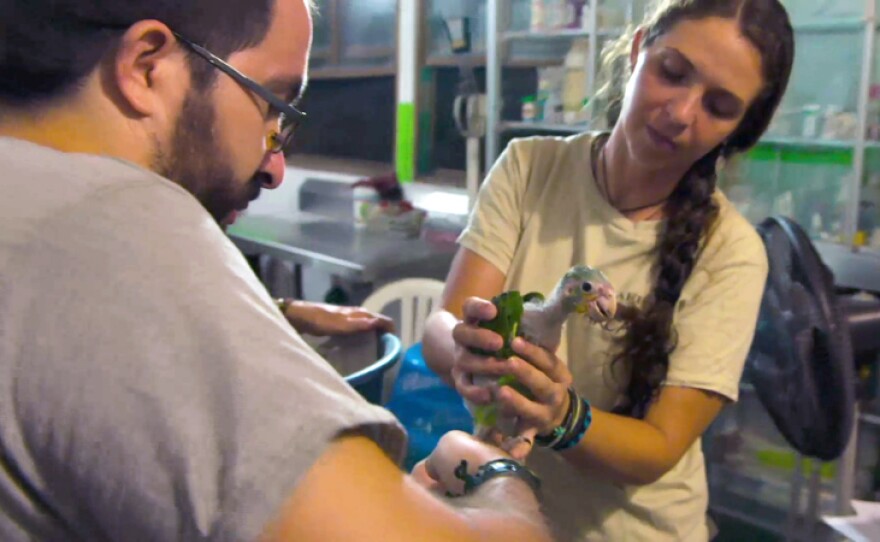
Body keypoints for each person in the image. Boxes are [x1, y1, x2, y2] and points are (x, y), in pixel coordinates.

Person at [0, 0, 552, 540]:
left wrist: (280, 313)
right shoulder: (120, 221)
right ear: (147, 67)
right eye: (273, 108)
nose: (276, 166)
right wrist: (495, 474)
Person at [422, 0, 795, 540]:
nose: (680, 113)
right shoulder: (529, 169)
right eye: (673, 73)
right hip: (501, 518)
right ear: (639, 50)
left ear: (737, 130)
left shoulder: (730, 251)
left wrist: (559, 414)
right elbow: (443, 326)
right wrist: (467, 348)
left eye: (718, 106)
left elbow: (659, 448)